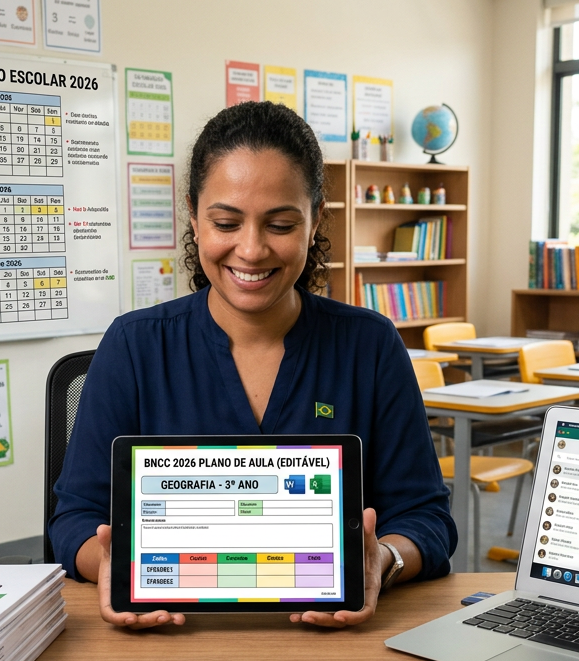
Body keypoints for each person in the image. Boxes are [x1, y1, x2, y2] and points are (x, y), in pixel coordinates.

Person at [50, 101, 454, 630]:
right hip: (171, 643)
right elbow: (75, 519)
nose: (252, 249)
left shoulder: (370, 345)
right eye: (226, 221)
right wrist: (112, 567)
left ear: (315, 222)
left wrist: (381, 561)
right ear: (194, 218)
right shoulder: (133, 345)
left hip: (337, 651)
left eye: (281, 223)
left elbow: (425, 518)